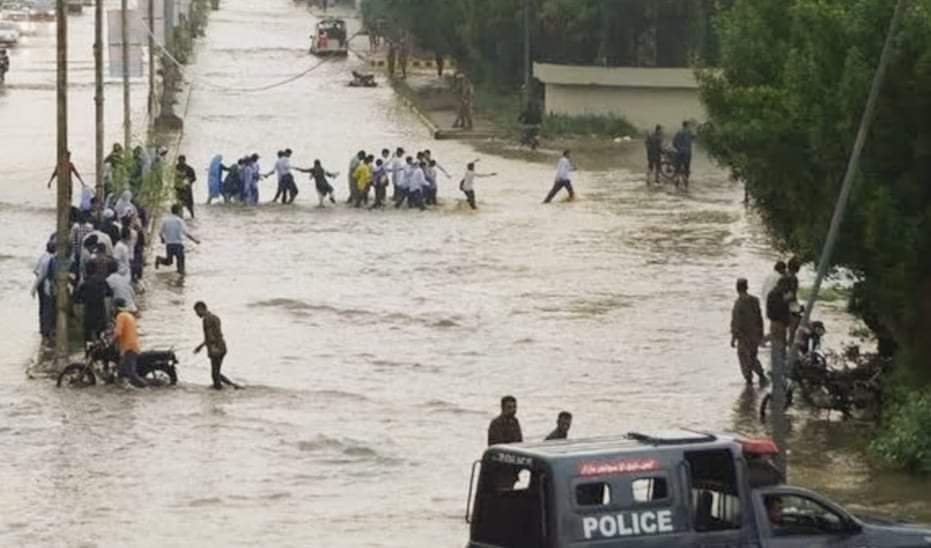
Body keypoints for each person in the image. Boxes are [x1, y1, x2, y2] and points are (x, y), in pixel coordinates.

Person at [194, 302, 240, 390]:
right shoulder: (215, 317)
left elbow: (210, 337)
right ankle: (233, 386)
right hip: (222, 346)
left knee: (215, 374)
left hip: (215, 347)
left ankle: (219, 394)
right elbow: (217, 334)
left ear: (201, 309)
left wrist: (204, 347)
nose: (197, 314)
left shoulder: (206, 320)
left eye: (197, 311)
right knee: (216, 372)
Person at [731, 278, 767, 385]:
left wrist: (733, 337)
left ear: (737, 288)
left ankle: (749, 378)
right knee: (752, 356)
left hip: (743, 336)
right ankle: (761, 375)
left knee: (743, 357)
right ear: (747, 287)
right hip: (754, 334)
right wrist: (761, 334)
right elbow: (759, 318)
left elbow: (736, 321)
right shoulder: (754, 300)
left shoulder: (739, 303)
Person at [155, 204, 200, 275]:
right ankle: (181, 277)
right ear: (179, 211)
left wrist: (162, 239)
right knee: (180, 263)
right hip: (178, 244)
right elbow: (186, 233)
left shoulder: (166, 220)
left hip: (169, 244)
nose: (182, 213)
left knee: (169, 261)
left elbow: (160, 232)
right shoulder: (179, 221)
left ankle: (159, 259)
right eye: (181, 211)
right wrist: (195, 240)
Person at [112, 298, 147, 388]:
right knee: (121, 372)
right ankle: (121, 390)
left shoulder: (121, 316)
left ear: (116, 307)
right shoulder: (129, 315)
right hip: (132, 345)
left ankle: (146, 388)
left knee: (131, 374)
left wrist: (112, 340)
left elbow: (118, 332)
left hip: (129, 348)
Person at [75, 262, 112, 344]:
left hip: (89, 312)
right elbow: (109, 293)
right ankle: (101, 352)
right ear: (95, 270)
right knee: (101, 336)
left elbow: (77, 298)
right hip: (101, 312)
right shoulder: (102, 281)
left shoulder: (84, 284)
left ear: (86, 271)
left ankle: (88, 352)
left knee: (87, 336)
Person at [30, 240, 57, 343]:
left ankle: (42, 329)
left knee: (42, 308)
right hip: (45, 285)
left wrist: (35, 288)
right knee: (47, 308)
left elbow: (36, 271)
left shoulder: (43, 256)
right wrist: (33, 289)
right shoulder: (50, 260)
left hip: (41, 285)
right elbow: (41, 275)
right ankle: (46, 332)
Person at [672, 121, 693, 188]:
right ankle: (686, 183)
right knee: (686, 168)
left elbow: (674, 143)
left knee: (677, 168)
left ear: (682, 125)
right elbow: (695, 138)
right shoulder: (689, 133)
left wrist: (679, 148)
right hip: (687, 153)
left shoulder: (678, 133)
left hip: (679, 153)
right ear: (687, 125)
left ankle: (677, 182)